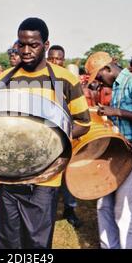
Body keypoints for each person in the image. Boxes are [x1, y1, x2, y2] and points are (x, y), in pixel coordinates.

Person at [0, 18, 91, 249]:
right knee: (7, 241)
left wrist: (50, 141)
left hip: (45, 177)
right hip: (8, 174)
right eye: (21, 44)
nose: (26, 51)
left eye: (33, 45)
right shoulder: (3, 79)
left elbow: (83, 123)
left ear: (46, 45)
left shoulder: (65, 79)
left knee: (36, 243)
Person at [85, 51, 132, 249]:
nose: (99, 82)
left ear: (107, 69)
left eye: (100, 77)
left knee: (124, 211)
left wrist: (115, 112)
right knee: (104, 205)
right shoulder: (116, 86)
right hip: (116, 150)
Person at [47, 44, 83, 228]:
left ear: (63, 60)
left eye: (58, 59)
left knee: (69, 175)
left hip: (69, 136)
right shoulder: (43, 81)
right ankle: (48, 211)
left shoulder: (71, 82)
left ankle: (70, 210)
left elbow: (81, 114)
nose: (55, 62)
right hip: (46, 138)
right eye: (51, 58)